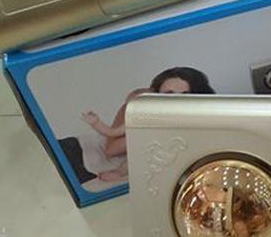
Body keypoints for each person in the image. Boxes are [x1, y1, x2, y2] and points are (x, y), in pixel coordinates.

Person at [78, 67, 215, 182]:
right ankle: (119, 172)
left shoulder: (200, 120)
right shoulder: (146, 115)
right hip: (148, 152)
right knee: (135, 158)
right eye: (168, 94)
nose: (176, 100)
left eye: (185, 95)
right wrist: (96, 122)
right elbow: (112, 133)